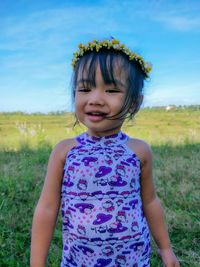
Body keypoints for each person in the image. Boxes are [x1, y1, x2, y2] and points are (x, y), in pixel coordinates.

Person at [30, 38, 180, 267]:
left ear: (134, 103)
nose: (96, 99)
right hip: (79, 261)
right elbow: (47, 208)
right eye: (84, 89)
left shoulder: (139, 151)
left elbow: (150, 201)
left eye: (111, 90)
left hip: (133, 259)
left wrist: (166, 249)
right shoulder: (65, 151)